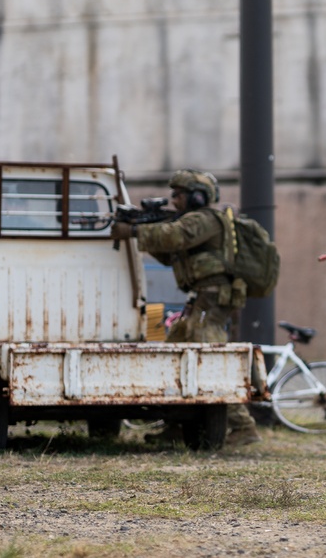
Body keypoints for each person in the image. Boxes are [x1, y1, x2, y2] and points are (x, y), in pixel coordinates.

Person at [111, 169, 261, 447]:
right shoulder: (191, 221)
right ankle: (177, 425)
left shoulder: (205, 219)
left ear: (196, 196)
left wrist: (134, 230)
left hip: (214, 301)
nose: (174, 200)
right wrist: (139, 229)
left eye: (178, 195)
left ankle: (244, 427)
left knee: (212, 363)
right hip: (200, 300)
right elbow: (170, 256)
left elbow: (176, 236)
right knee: (174, 357)